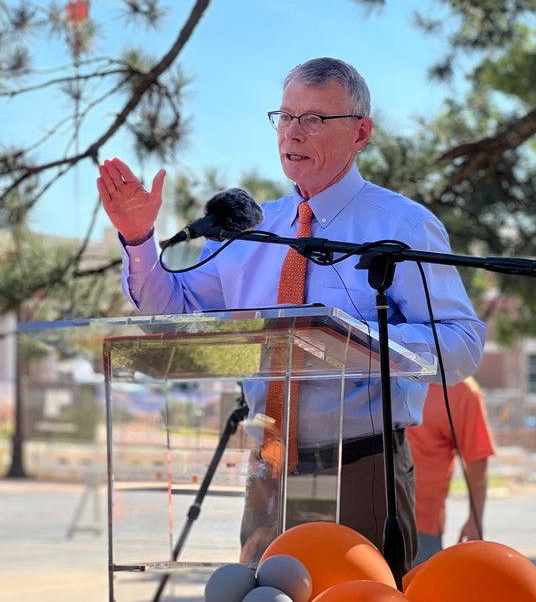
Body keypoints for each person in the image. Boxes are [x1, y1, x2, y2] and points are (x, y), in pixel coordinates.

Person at [96, 56, 486, 571]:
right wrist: (139, 238)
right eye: (285, 117)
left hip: (362, 466)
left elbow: (463, 343)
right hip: (269, 470)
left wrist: (357, 345)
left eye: (314, 119)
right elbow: (173, 307)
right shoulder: (256, 229)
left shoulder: (403, 225)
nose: (293, 133)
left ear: (360, 132)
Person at [406, 377, 496, 566]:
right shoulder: (380, 370)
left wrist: (475, 519)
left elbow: (477, 461)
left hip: (421, 529)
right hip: (367, 515)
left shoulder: (461, 388)